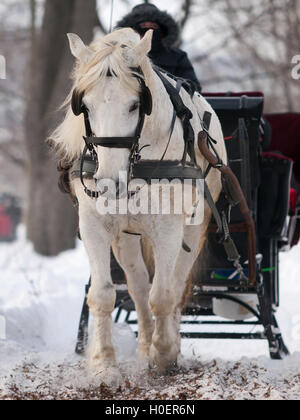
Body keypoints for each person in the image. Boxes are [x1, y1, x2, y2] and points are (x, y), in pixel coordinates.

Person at [117, 3, 202, 92]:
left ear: (162, 32)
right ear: (132, 33)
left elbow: (193, 88)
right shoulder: (119, 57)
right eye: (143, 27)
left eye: (153, 27)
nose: (148, 32)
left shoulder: (178, 57)